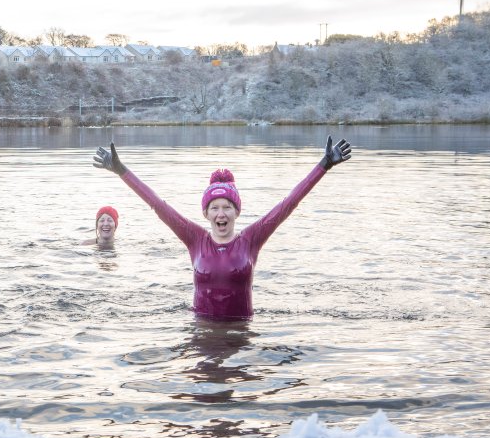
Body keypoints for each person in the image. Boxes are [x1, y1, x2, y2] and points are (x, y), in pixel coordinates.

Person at [92, 136, 352, 321]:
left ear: (237, 211)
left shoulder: (251, 239)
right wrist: (121, 170)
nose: (221, 213)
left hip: (241, 330)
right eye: (214, 207)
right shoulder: (194, 238)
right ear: (205, 213)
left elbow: (289, 204)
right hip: (201, 329)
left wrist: (323, 167)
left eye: (227, 206)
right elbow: (157, 204)